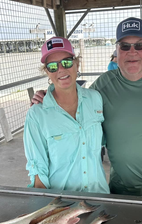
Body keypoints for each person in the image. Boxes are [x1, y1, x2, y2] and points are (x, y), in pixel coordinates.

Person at [31, 18, 142, 200]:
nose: (132, 52)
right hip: (119, 189)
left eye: (139, 45)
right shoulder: (103, 85)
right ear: (117, 50)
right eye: (125, 46)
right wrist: (47, 97)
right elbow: (74, 101)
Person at [24, 36, 109, 194]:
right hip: (63, 204)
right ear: (47, 72)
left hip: (100, 198)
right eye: (52, 66)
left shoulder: (95, 99)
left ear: (77, 64)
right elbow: (37, 169)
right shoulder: (37, 114)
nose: (61, 70)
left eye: (67, 62)